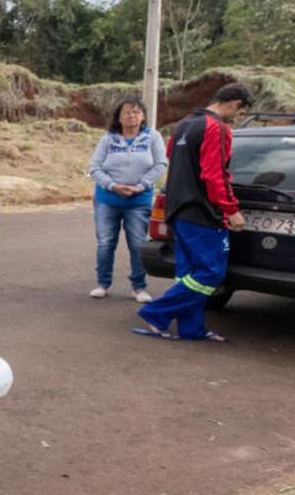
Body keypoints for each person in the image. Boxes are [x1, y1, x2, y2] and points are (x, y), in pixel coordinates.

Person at [134, 82, 253, 343]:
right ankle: (156, 312)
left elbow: (174, 162)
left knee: (188, 275)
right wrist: (231, 209)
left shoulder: (184, 124)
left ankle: (192, 328)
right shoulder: (217, 128)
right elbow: (215, 174)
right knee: (211, 273)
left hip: (179, 210)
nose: (237, 119)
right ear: (235, 103)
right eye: (241, 113)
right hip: (203, 213)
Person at [87, 96, 167, 303]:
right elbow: (94, 168)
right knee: (105, 243)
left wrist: (140, 186)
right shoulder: (108, 139)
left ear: (143, 116)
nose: (132, 115)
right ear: (119, 117)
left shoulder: (152, 137)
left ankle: (139, 287)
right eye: (127, 112)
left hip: (138, 201)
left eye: (136, 111)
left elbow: (161, 164)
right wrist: (112, 186)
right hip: (107, 200)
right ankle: (102, 284)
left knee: (137, 244)